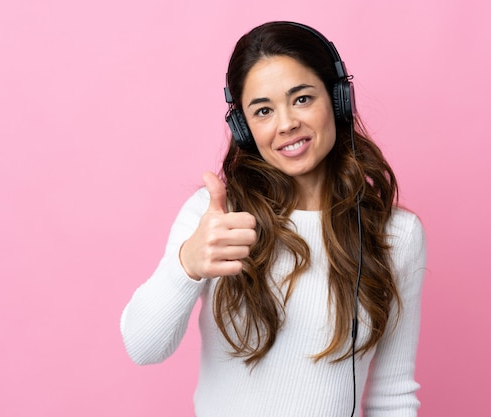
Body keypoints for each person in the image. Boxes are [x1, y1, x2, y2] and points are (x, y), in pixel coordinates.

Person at [120, 21, 427, 417]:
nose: (286, 124)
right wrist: (186, 265)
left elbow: (393, 394)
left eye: (302, 99)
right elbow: (143, 348)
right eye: (263, 110)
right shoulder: (214, 219)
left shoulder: (397, 234)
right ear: (244, 128)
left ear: (338, 100)